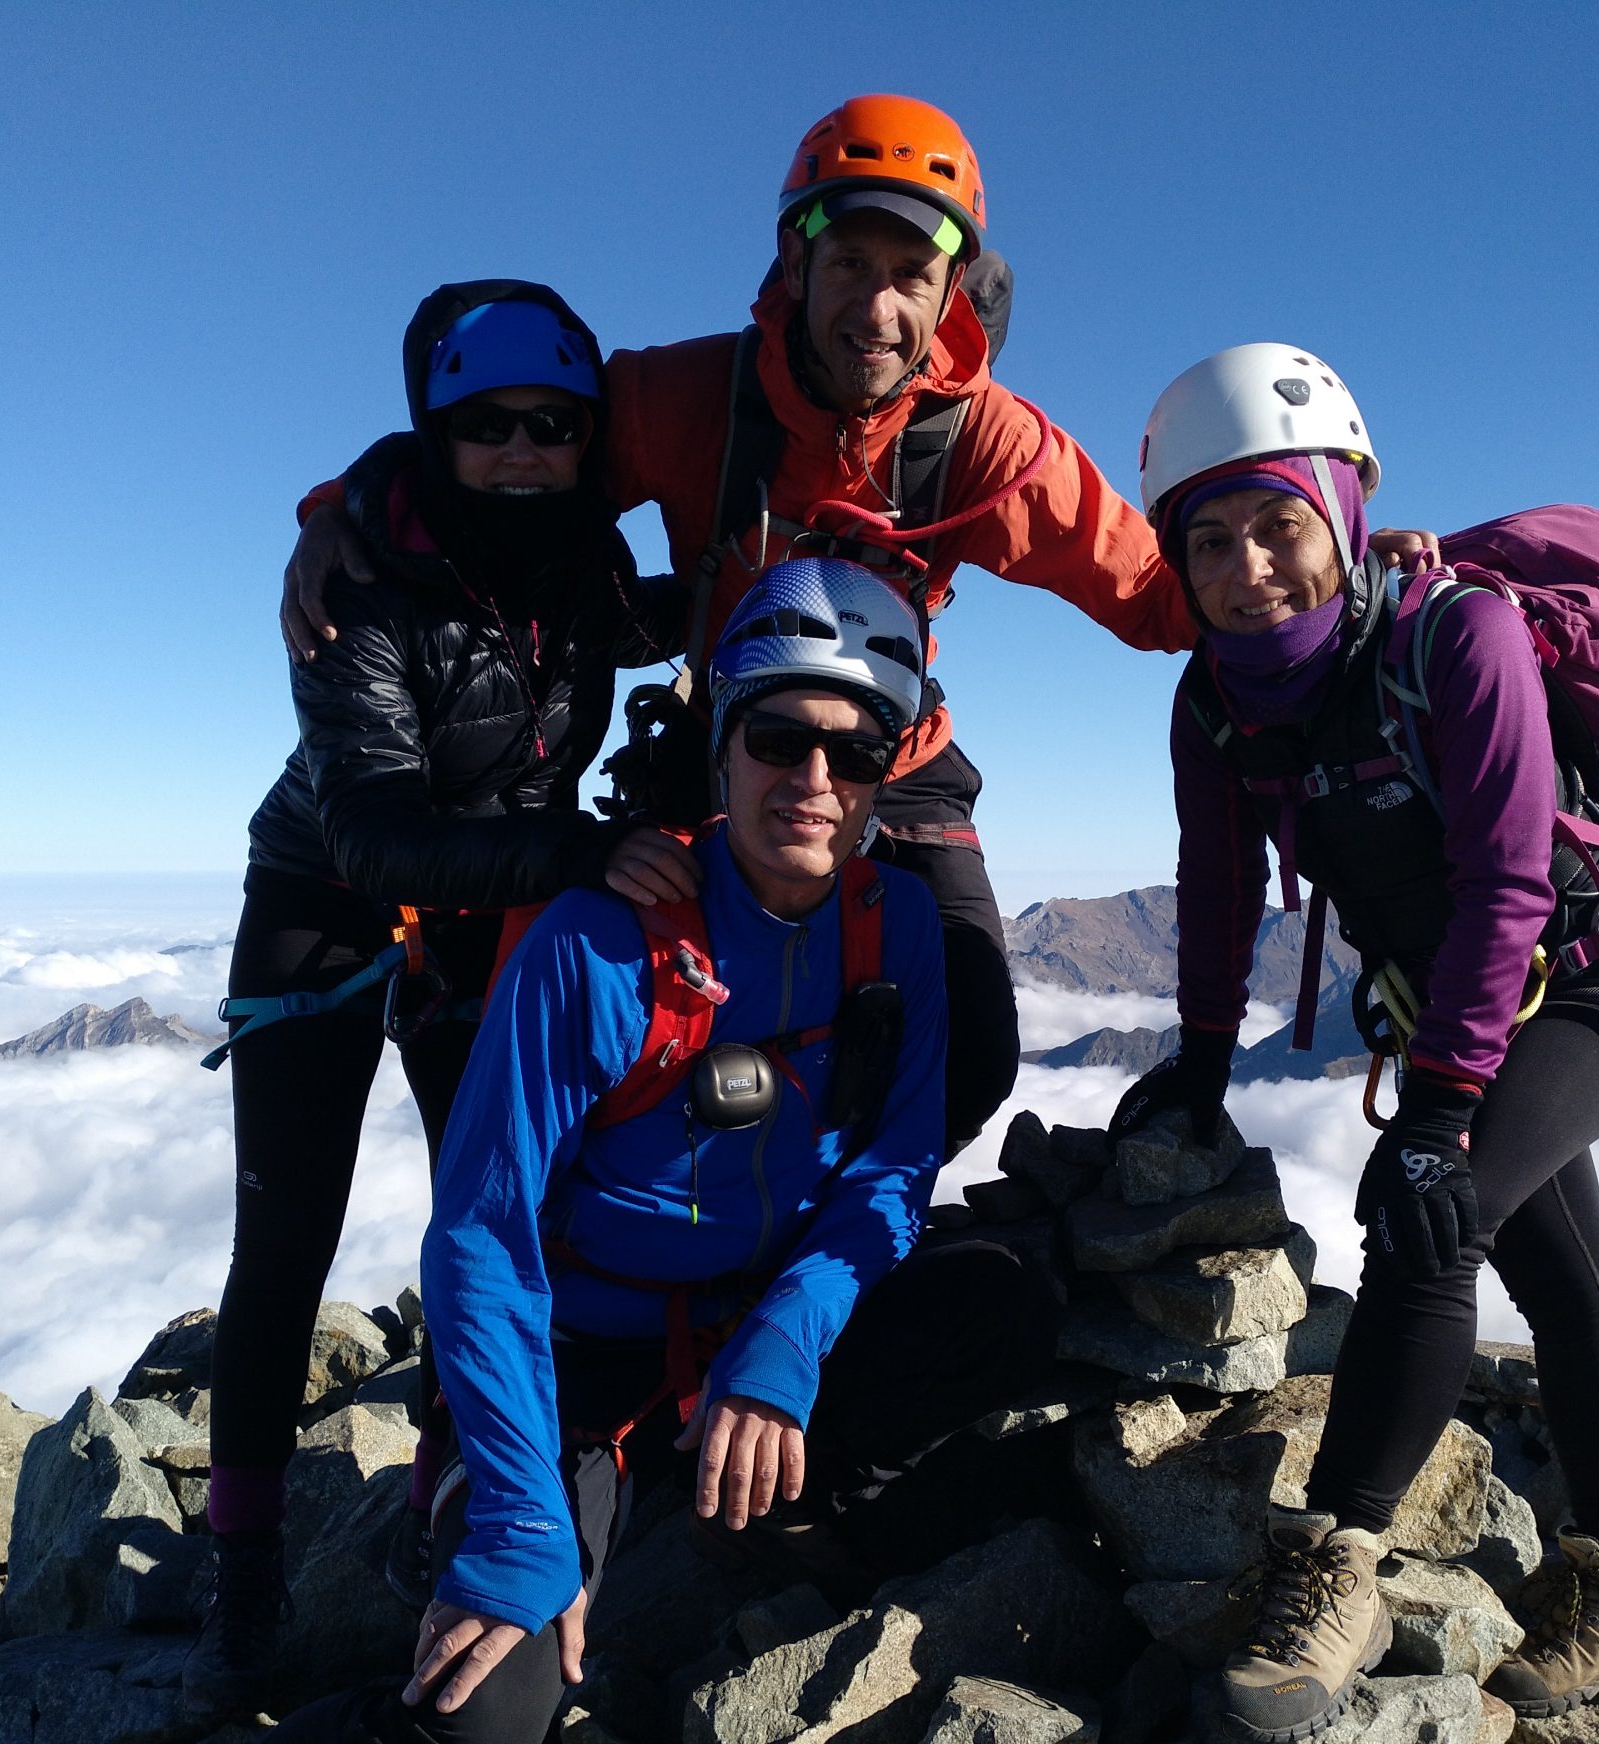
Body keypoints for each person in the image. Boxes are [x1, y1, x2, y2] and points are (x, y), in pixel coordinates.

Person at [101, 559, 1063, 1744]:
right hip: (580, 1361)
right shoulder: (600, 945)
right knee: (479, 1720)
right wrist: (512, 1509)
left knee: (1005, 1304)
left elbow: (897, 1168)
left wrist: (784, 1349)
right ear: (721, 744)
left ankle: (763, 1502)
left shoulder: (894, 922)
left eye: (852, 753)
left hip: (750, 1326)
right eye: (777, 736)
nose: (813, 779)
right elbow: (483, 1238)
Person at [278, 95, 1406, 1155]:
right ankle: (691, 1265)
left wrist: (1350, 563)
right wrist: (349, 505)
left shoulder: (986, 445)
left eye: (912, 274)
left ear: (952, 289)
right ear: (794, 262)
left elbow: (1165, 598)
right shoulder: (690, 402)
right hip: (729, 761)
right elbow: (515, 447)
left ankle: (832, 1260)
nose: (878, 307)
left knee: (968, 1051)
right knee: (652, 1043)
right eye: (851, 265)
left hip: (896, 765)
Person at [1116, 344, 1599, 1738]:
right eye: (1209, 539)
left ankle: (1341, 1566)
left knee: (1432, 1222)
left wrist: (1439, 1117)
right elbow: (1216, 883)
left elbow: (1510, 879)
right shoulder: (1215, 701)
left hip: (1593, 977)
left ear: (1341, 507)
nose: (1248, 565)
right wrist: (1202, 1057)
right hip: (1458, 1001)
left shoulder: (1460, 637)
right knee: (1559, 1270)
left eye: (1278, 524)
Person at [188, 279, 697, 1716]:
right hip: (325, 913)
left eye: (554, 426)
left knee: (505, 1213)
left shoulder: (582, 570)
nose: (527, 453)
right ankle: (243, 1569)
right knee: (286, 1245)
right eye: (488, 430)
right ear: (436, 433)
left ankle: (455, 1494)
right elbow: (372, 831)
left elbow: (672, 615)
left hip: (489, 915)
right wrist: (590, 850)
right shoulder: (357, 583)